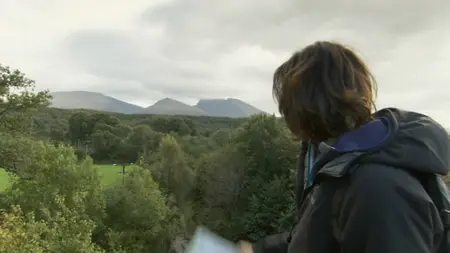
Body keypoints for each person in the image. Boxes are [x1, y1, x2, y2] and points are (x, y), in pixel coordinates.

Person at [238, 41, 450, 253]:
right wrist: (258, 250)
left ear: (306, 107)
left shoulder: (379, 188)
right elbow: (318, 235)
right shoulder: (340, 162)